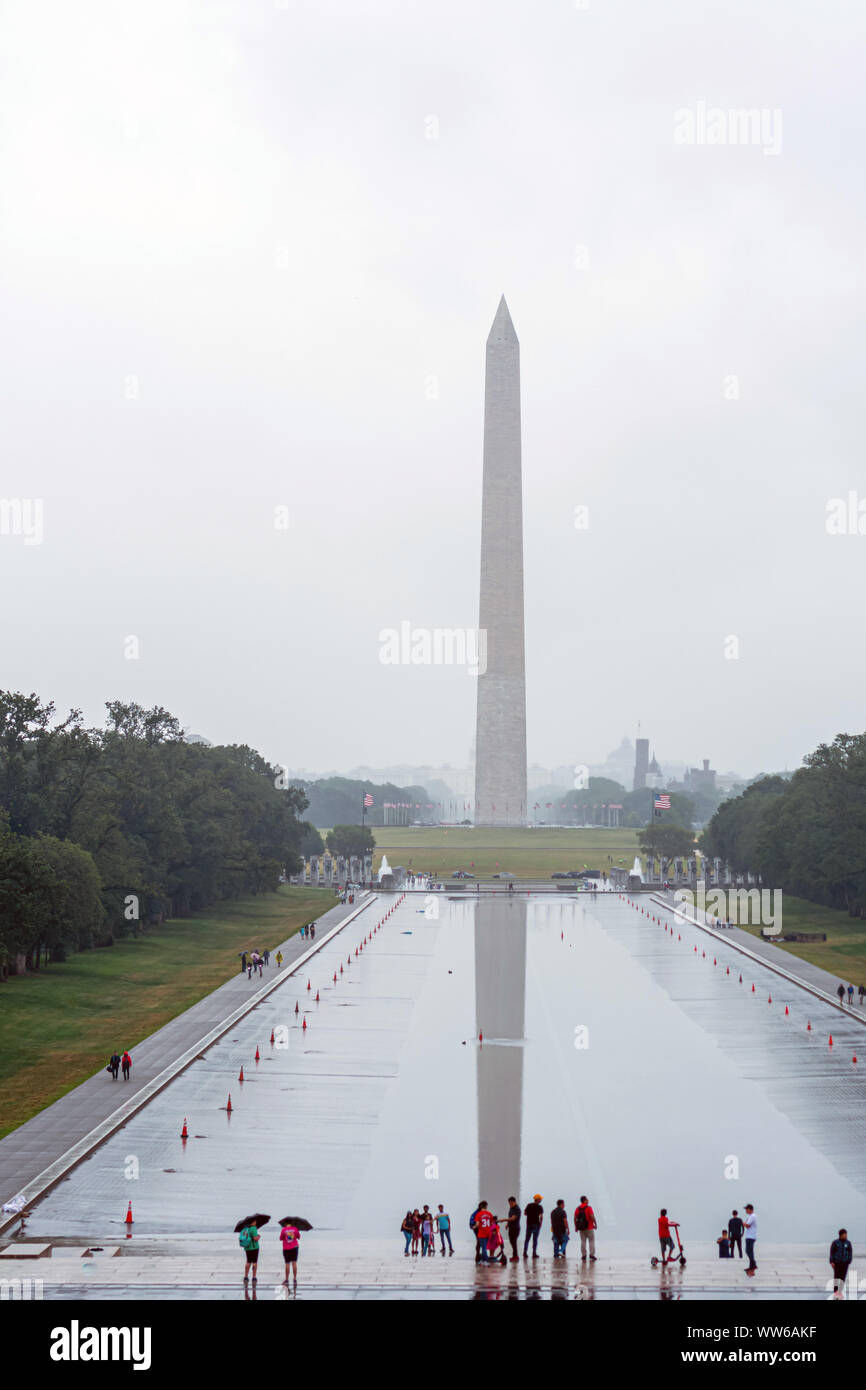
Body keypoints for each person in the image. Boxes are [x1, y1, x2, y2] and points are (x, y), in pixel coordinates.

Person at [829, 1228, 853, 1299]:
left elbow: (850, 1252)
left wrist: (849, 1260)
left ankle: (840, 1292)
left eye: (846, 1234)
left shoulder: (848, 1243)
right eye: (844, 1234)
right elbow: (832, 1252)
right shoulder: (835, 1243)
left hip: (845, 1263)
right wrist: (832, 1261)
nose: (846, 1236)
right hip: (837, 1263)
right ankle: (836, 1292)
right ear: (841, 1235)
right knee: (837, 1278)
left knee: (842, 1278)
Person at [574, 1195, 597, 1262]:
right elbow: (592, 1216)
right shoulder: (589, 1208)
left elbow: (575, 1218)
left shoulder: (577, 1209)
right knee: (591, 1241)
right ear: (584, 1200)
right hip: (589, 1227)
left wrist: (576, 1226)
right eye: (587, 1199)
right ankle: (591, 1254)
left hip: (581, 1228)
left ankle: (584, 1255)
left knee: (583, 1241)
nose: (588, 1200)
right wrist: (595, 1223)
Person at [280, 1221, 300, 1289]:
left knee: (287, 1264)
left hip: (286, 1249)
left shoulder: (283, 1229)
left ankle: (287, 1279)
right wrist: (294, 1234)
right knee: (294, 1263)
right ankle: (294, 1279)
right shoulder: (295, 1229)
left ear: (286, 1224)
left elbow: (281, 1238)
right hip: (294, 1247)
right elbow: (298, 1237)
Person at [505, 1197, 521, 1261]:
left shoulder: (517, 1209)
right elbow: (510, 1217)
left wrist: (503, 1220)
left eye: (511, 1203)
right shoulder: (511, 1208)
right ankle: (515, 1255)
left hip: (515, 1228)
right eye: (509, 1203)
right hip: (511, 1227)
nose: (510, 1204)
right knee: (511, 1241)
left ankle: (515, 1256)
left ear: (514, 1202)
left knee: (513, 1242)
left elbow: (513, 1218)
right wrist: (507, 1224)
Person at [744, 1204, 758, 1275]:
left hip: (751, 1236)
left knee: (748, 1251)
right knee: (749, 1251)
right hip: (749, 1236)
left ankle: (753, 1264)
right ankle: (752, 1265)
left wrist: (743, 1224)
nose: (746, 1210)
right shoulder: (750, 1216)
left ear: (750, 1209)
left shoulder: (752, 1216)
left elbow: (747, 1225)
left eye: (747, 1209)